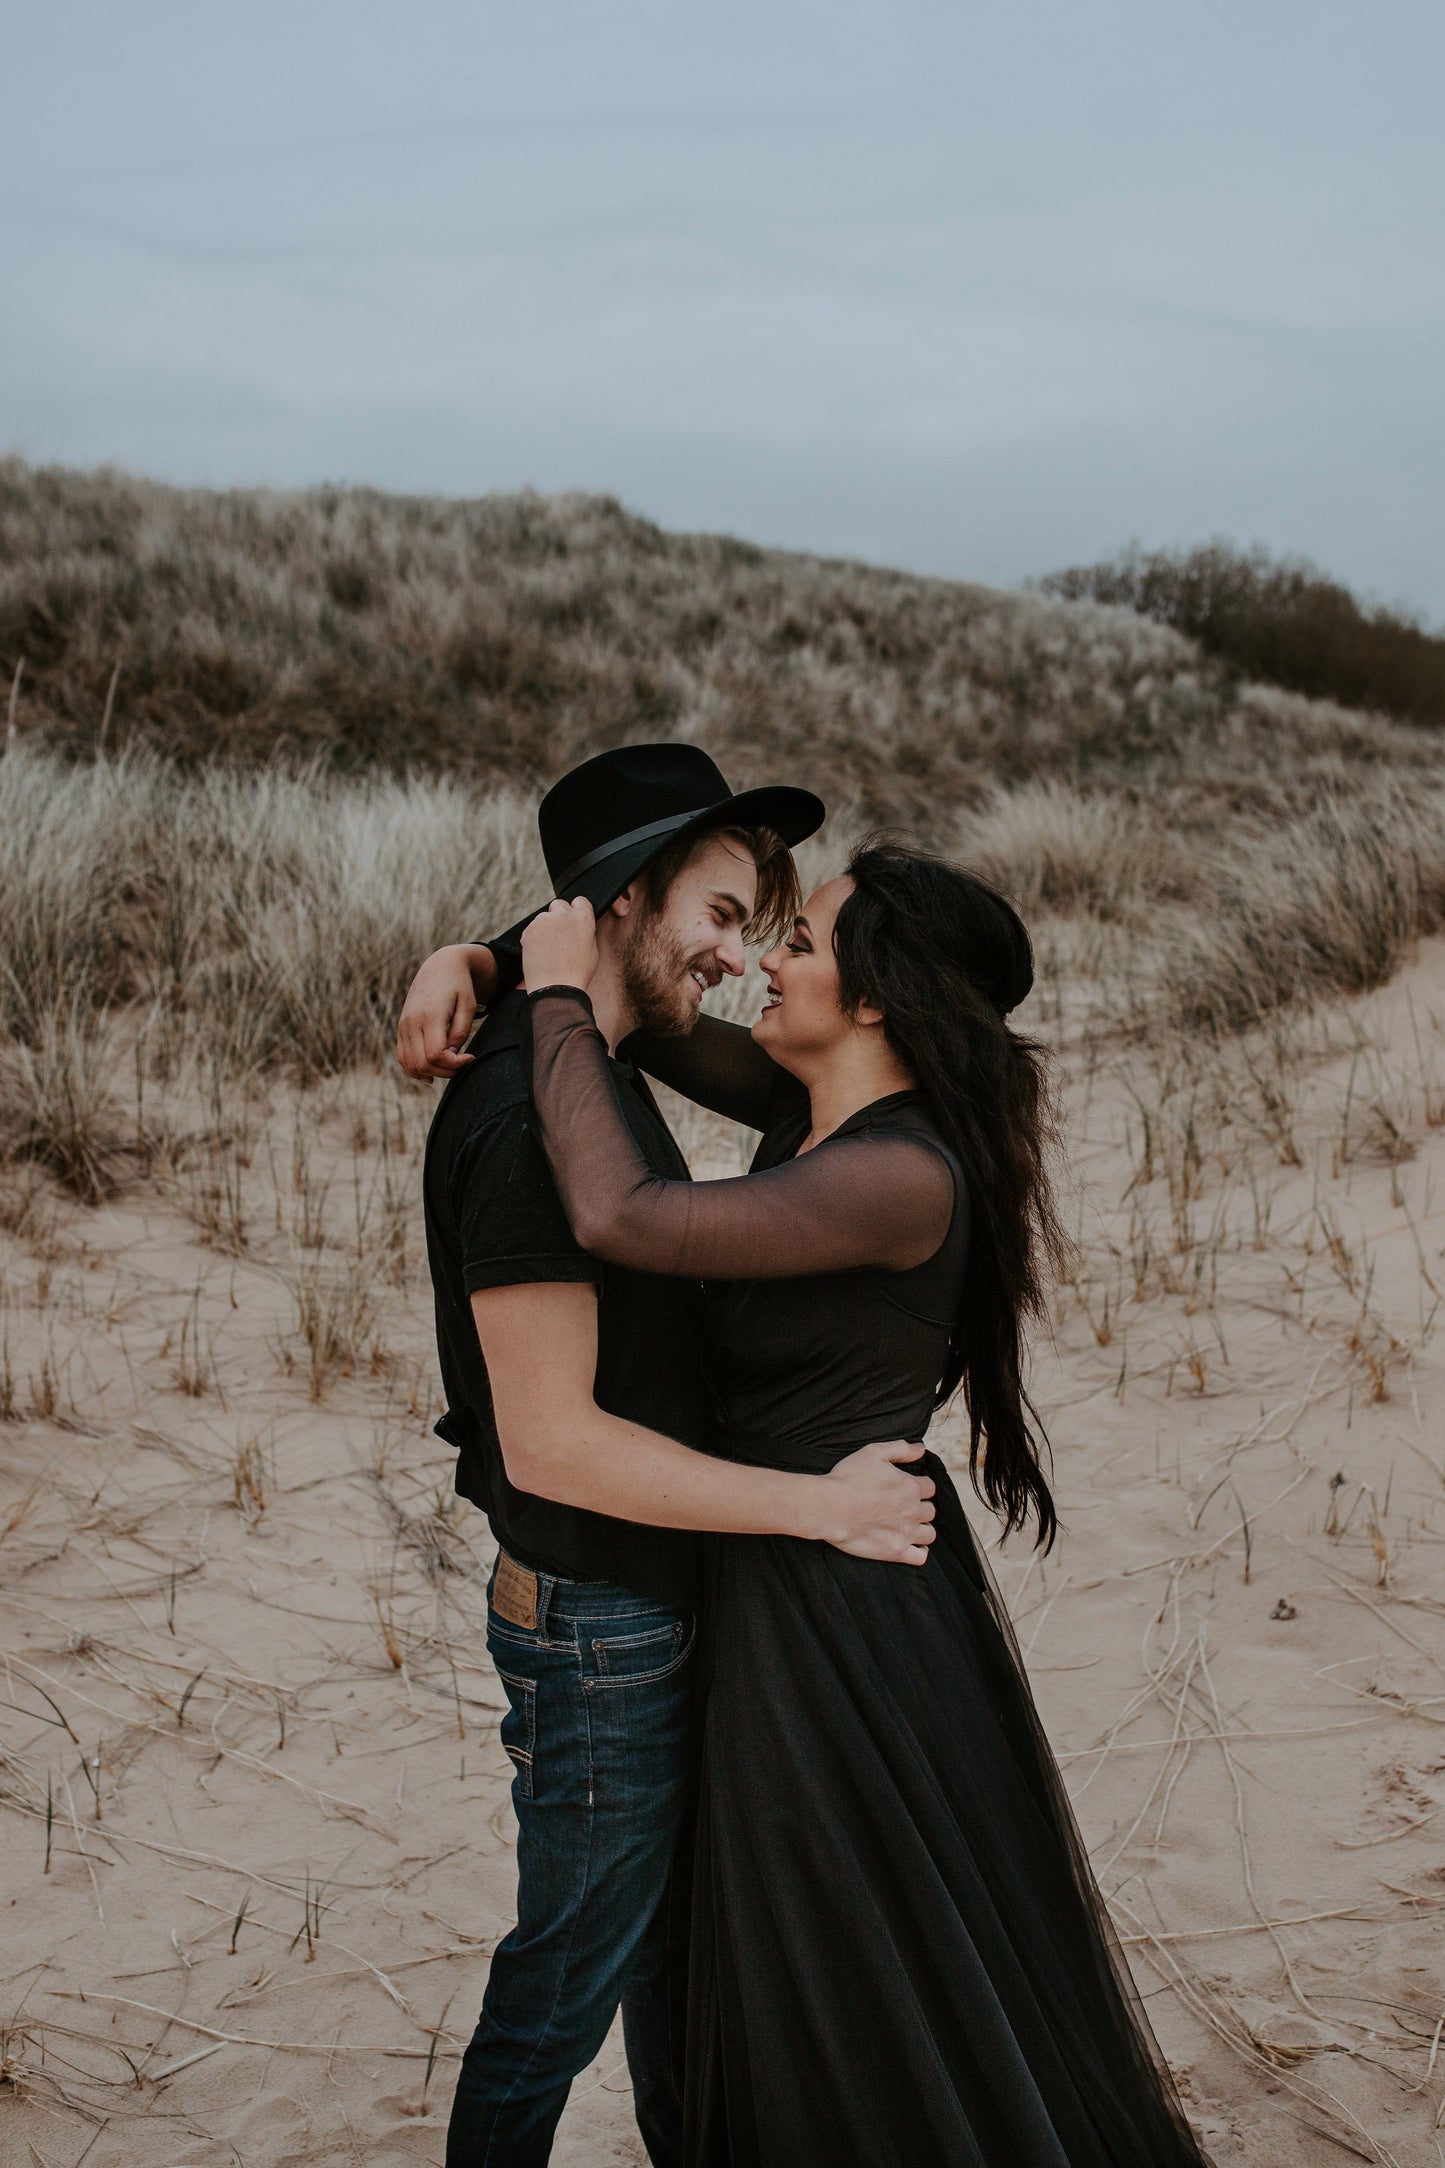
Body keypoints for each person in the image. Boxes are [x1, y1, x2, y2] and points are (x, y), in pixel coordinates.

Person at [499, 843, 1213, 2166]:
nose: (764, 961)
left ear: (874, 995)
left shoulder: (900, 1174)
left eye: (803, 945)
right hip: (776, 1547)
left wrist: (545, 1006)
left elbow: (622, 1210)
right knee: (788, 1941)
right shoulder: (807, 1102)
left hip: (832, 1603)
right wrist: (474, 964)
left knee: (824, 1948)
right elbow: (650, 1018)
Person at [412, 744, 936, 2168]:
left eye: (765, 926)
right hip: (597, 1613)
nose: (739, 958)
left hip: (638, 1597)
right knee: (569, 1973)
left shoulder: (596, 1054)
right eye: (717, 915)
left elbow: (769, 1094)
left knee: (651, 1953)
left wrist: (487, 954)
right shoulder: (535, 1115)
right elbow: (556, 1444)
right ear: (625, 903)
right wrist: (815, 1508)